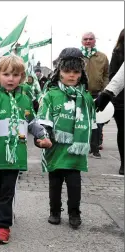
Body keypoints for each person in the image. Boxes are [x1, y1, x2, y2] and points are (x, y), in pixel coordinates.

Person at [0, 55, 51, 244]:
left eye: (16, 75)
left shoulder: (25, 99)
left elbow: (32, 122)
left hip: (15, 155)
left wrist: (42, 135)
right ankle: (7, 209)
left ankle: (3, 226)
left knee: (8, 190)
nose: (11, 79)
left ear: (22, 77)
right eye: (6, 74)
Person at [37, 48, 97, 229]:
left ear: (81, 74)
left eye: (76, 72)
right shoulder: (51, 95)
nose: (71, 75)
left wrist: (93, 143)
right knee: (55, 183)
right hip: (55, 148)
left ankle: (74, 212)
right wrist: (44, 137)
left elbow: (92, 122)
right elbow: (43, 120)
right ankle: (54, 211)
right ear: (59, 72)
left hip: (75, 150)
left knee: (74, 183)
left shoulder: (86, 97)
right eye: (67, 71)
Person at [96, 29, 124, 175]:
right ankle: (124, 163)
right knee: (123, 130)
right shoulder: (118, 52)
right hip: (120, 98)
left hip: (115, 94)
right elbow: (115, 74)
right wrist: (108, 93)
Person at [81, 31, 109, 159]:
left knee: (97, 123)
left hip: (97, 94)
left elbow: (106, 75)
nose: (88, 41)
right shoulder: (78, 56)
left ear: (94, 40)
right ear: (82, 41)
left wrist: (105, 91)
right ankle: (83, 146)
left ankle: (95, 148)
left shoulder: (102, 57)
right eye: (85, 39)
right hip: (81, 93)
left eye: (90, 39)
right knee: (82, 121)